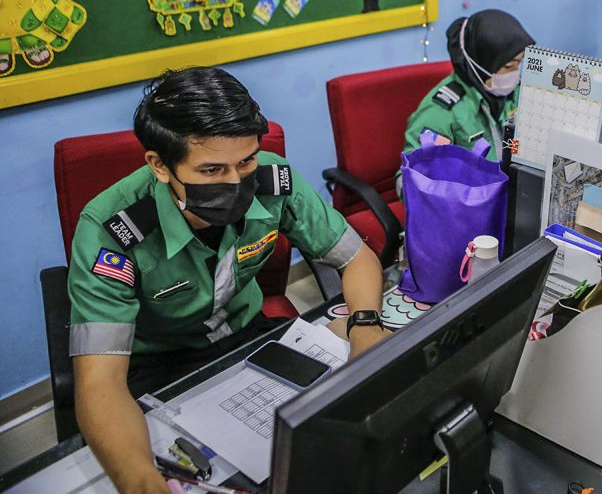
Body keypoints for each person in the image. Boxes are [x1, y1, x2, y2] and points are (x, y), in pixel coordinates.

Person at [68, 67, 388, 494]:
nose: (237, 183)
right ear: (160, 165)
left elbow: (356, 259)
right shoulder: (111, 228)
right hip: (160, 365)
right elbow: (100, 382)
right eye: (212, 170)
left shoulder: (274, 179)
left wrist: (365, 328)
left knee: (335, 447)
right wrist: (143, 483)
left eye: (246, 161)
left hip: (249, 336)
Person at [400, 9, 533, 187]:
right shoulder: (441, 112)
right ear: (481, 64)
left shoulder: (512, 93)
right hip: (470, 206)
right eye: (509, 66)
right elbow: (411, 183)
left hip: (511, 194)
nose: (516, 73)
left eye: (520, 62)